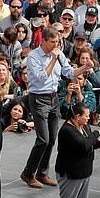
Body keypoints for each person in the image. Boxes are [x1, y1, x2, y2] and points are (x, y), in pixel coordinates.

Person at [21, 27, 93, 189]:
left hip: (53, 98)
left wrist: (85, 67)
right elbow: (40, 77)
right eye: (52, 42)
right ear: (44, 41)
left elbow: (69, 72)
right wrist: (53, 60)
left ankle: (42, 172)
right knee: (43, 139)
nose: (56, 45)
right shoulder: (34, 56)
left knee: (52, 138)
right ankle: (28, 173)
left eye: (57, 42)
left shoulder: (59, 54)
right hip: (39, 98)